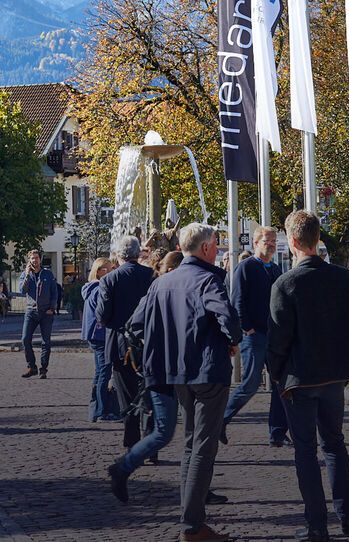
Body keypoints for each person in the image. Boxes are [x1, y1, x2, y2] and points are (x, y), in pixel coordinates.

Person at [108, 223, 240, 542]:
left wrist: (164, 345)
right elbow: (230, 322)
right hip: (207, 371)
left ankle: (189, 521)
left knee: (191, 444)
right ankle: (192, 526)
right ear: (206, 248)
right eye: (216, 245)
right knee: (202, 447)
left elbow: (135, 325)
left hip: (174, 374)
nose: (219, 249)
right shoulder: (209, 280)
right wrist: (230, 340)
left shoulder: (161, 283)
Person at [268, 210, 349, 542]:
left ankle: (316, 524)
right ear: (318, 239)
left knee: (305, 451)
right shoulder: (344, 278)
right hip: (333, 376)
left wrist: (277, 374)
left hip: (300, 378)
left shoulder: (285, 283)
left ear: (293, 242)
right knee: (335, 445)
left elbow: (278, 339)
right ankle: (347, 515)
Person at [221, 226, 289, 448]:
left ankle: (277, 432)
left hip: (274, 335)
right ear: (256, 243)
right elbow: (237, 300)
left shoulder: (276, 269)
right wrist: (247, 329)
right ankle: (220, 420)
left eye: (273, 241)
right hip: (255, 335)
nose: (271, 244)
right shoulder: (246, 268)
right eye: (267, 241)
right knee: (250, 383)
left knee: (281, 383)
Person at [94, 235, 155, 452]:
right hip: (149, 343)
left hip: (121, 345)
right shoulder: (151, 276)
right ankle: (150, 446)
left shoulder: (109, 280)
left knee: (127, 397)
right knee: (149, 394)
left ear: (119, 255)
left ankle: (132, 444)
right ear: (138, 254)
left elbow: (101, 316)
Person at [81, 259, 119, 422]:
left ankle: (95, 409)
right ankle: (103, 410)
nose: (111, 272)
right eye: (108, 269)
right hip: (101, 334)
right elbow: (103, 312)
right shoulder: (99, 289)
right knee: (104, 372)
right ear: (99, 271)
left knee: (99, 372)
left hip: (93, 335)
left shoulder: (90, 288)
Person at [19, 250, 60, 379]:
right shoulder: (25, 274)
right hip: (31, 311)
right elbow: (22, 290)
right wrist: (26, 275)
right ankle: (32, 367)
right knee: (25, 339)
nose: (34, 260)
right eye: (32, 258)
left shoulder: (47, 274)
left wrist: (52, 308)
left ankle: (43, 369)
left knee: (45, 342)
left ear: (40, 259)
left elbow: (55, 292)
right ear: (29, 260)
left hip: (45, 312)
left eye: (36, 258)